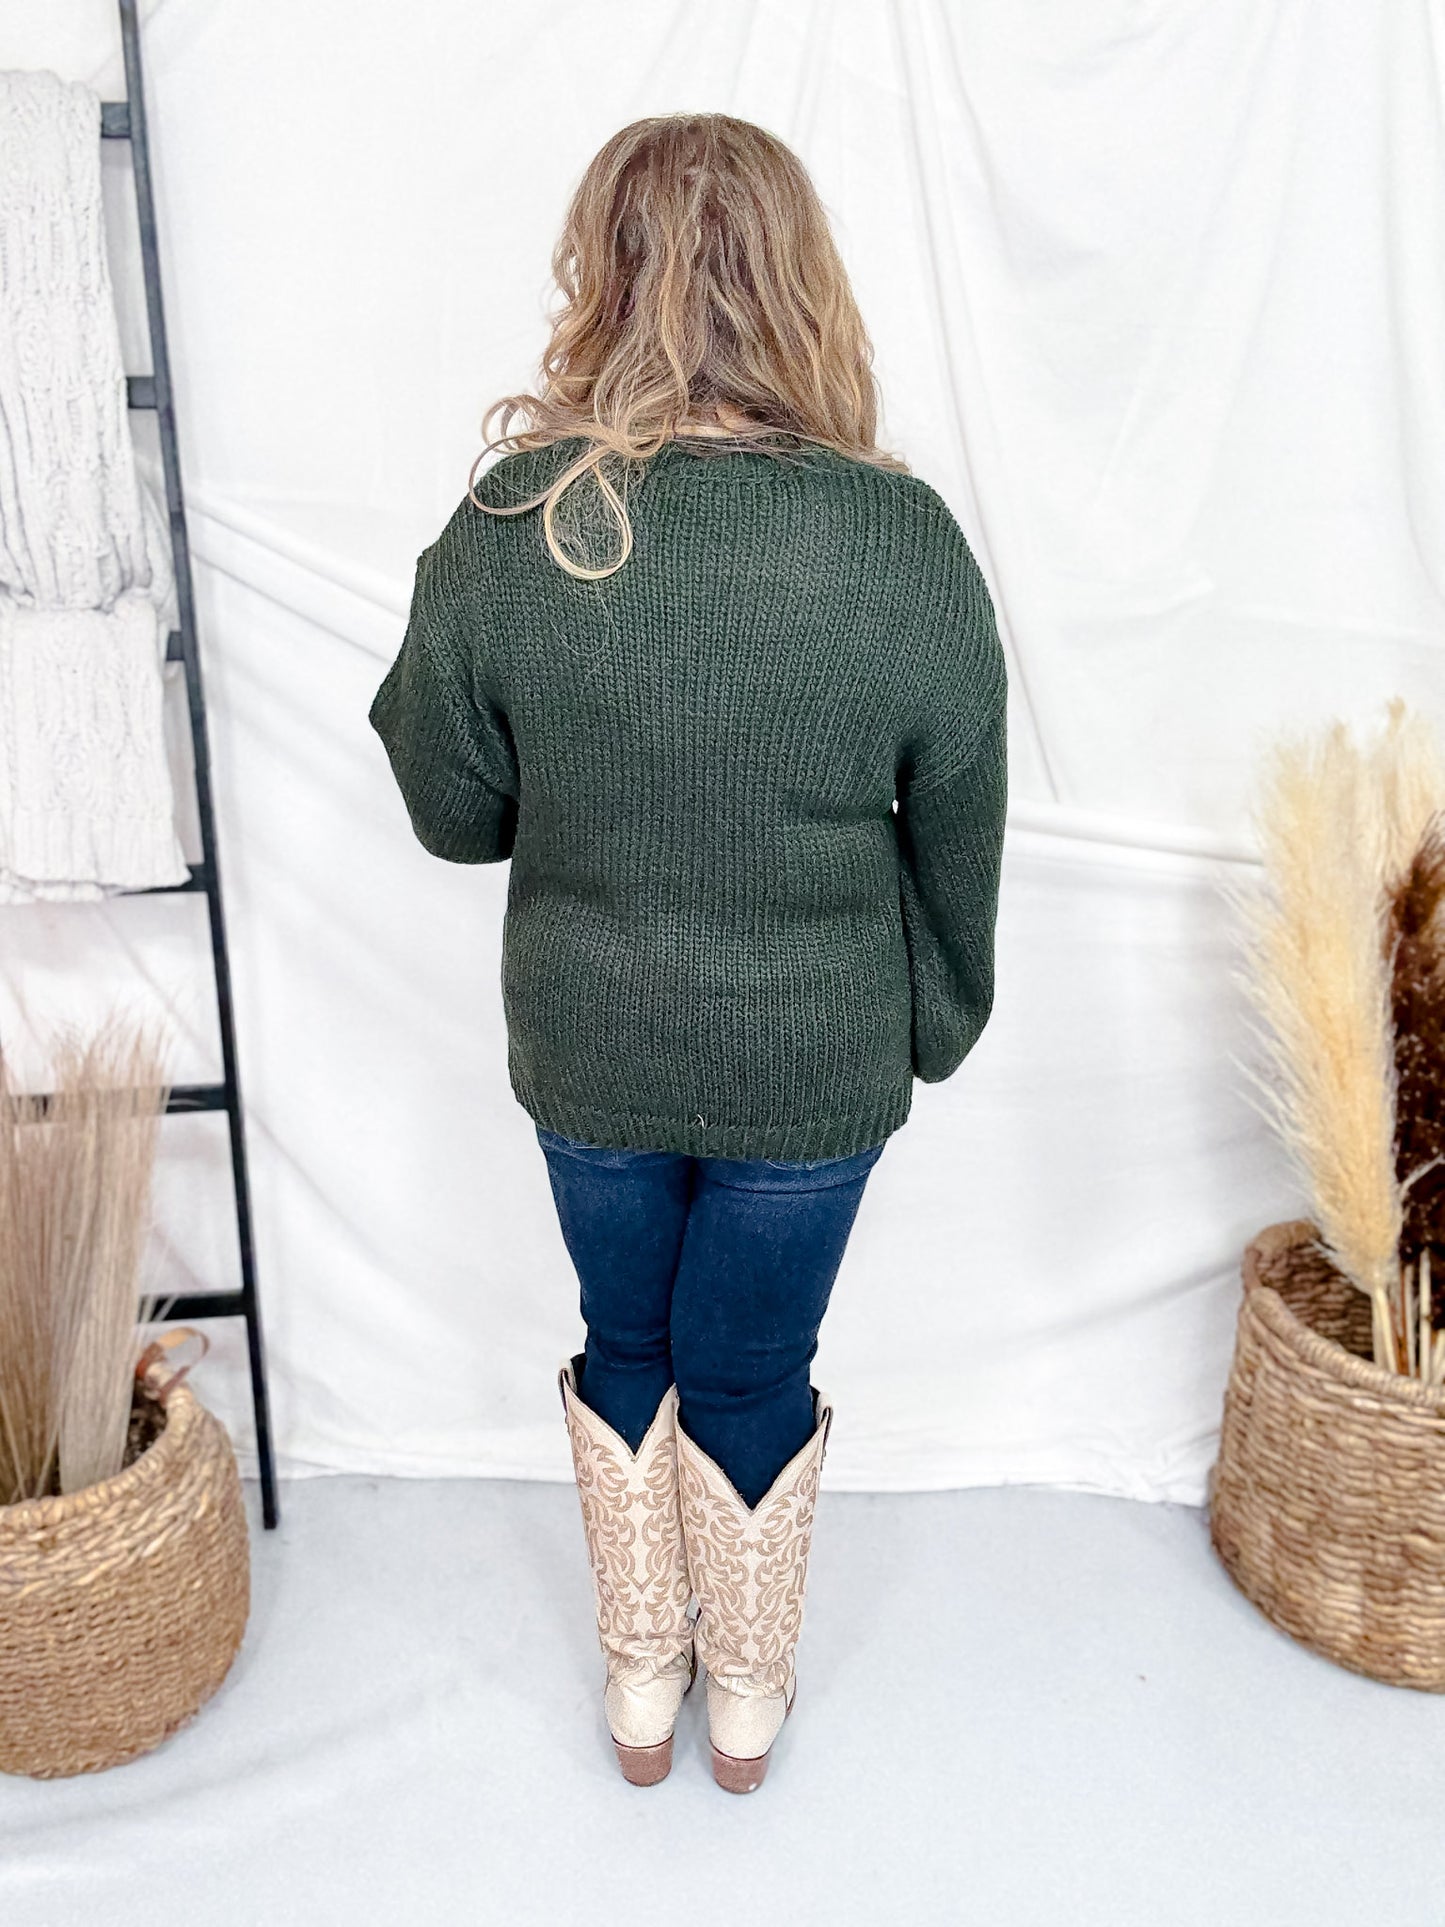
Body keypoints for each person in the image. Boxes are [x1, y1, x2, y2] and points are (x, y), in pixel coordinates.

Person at [367, 112, 1008, 1795]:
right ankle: (745, 1694)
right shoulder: (900, 539)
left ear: (609, 273)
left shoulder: (517, 521)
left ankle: (644, 1680)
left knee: (625, 1339)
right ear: (801, 282)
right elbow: (961, 825)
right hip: (818, 1059)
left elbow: (450, 809)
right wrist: (924, 1027)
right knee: (753, 1363)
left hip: (586, 1038)